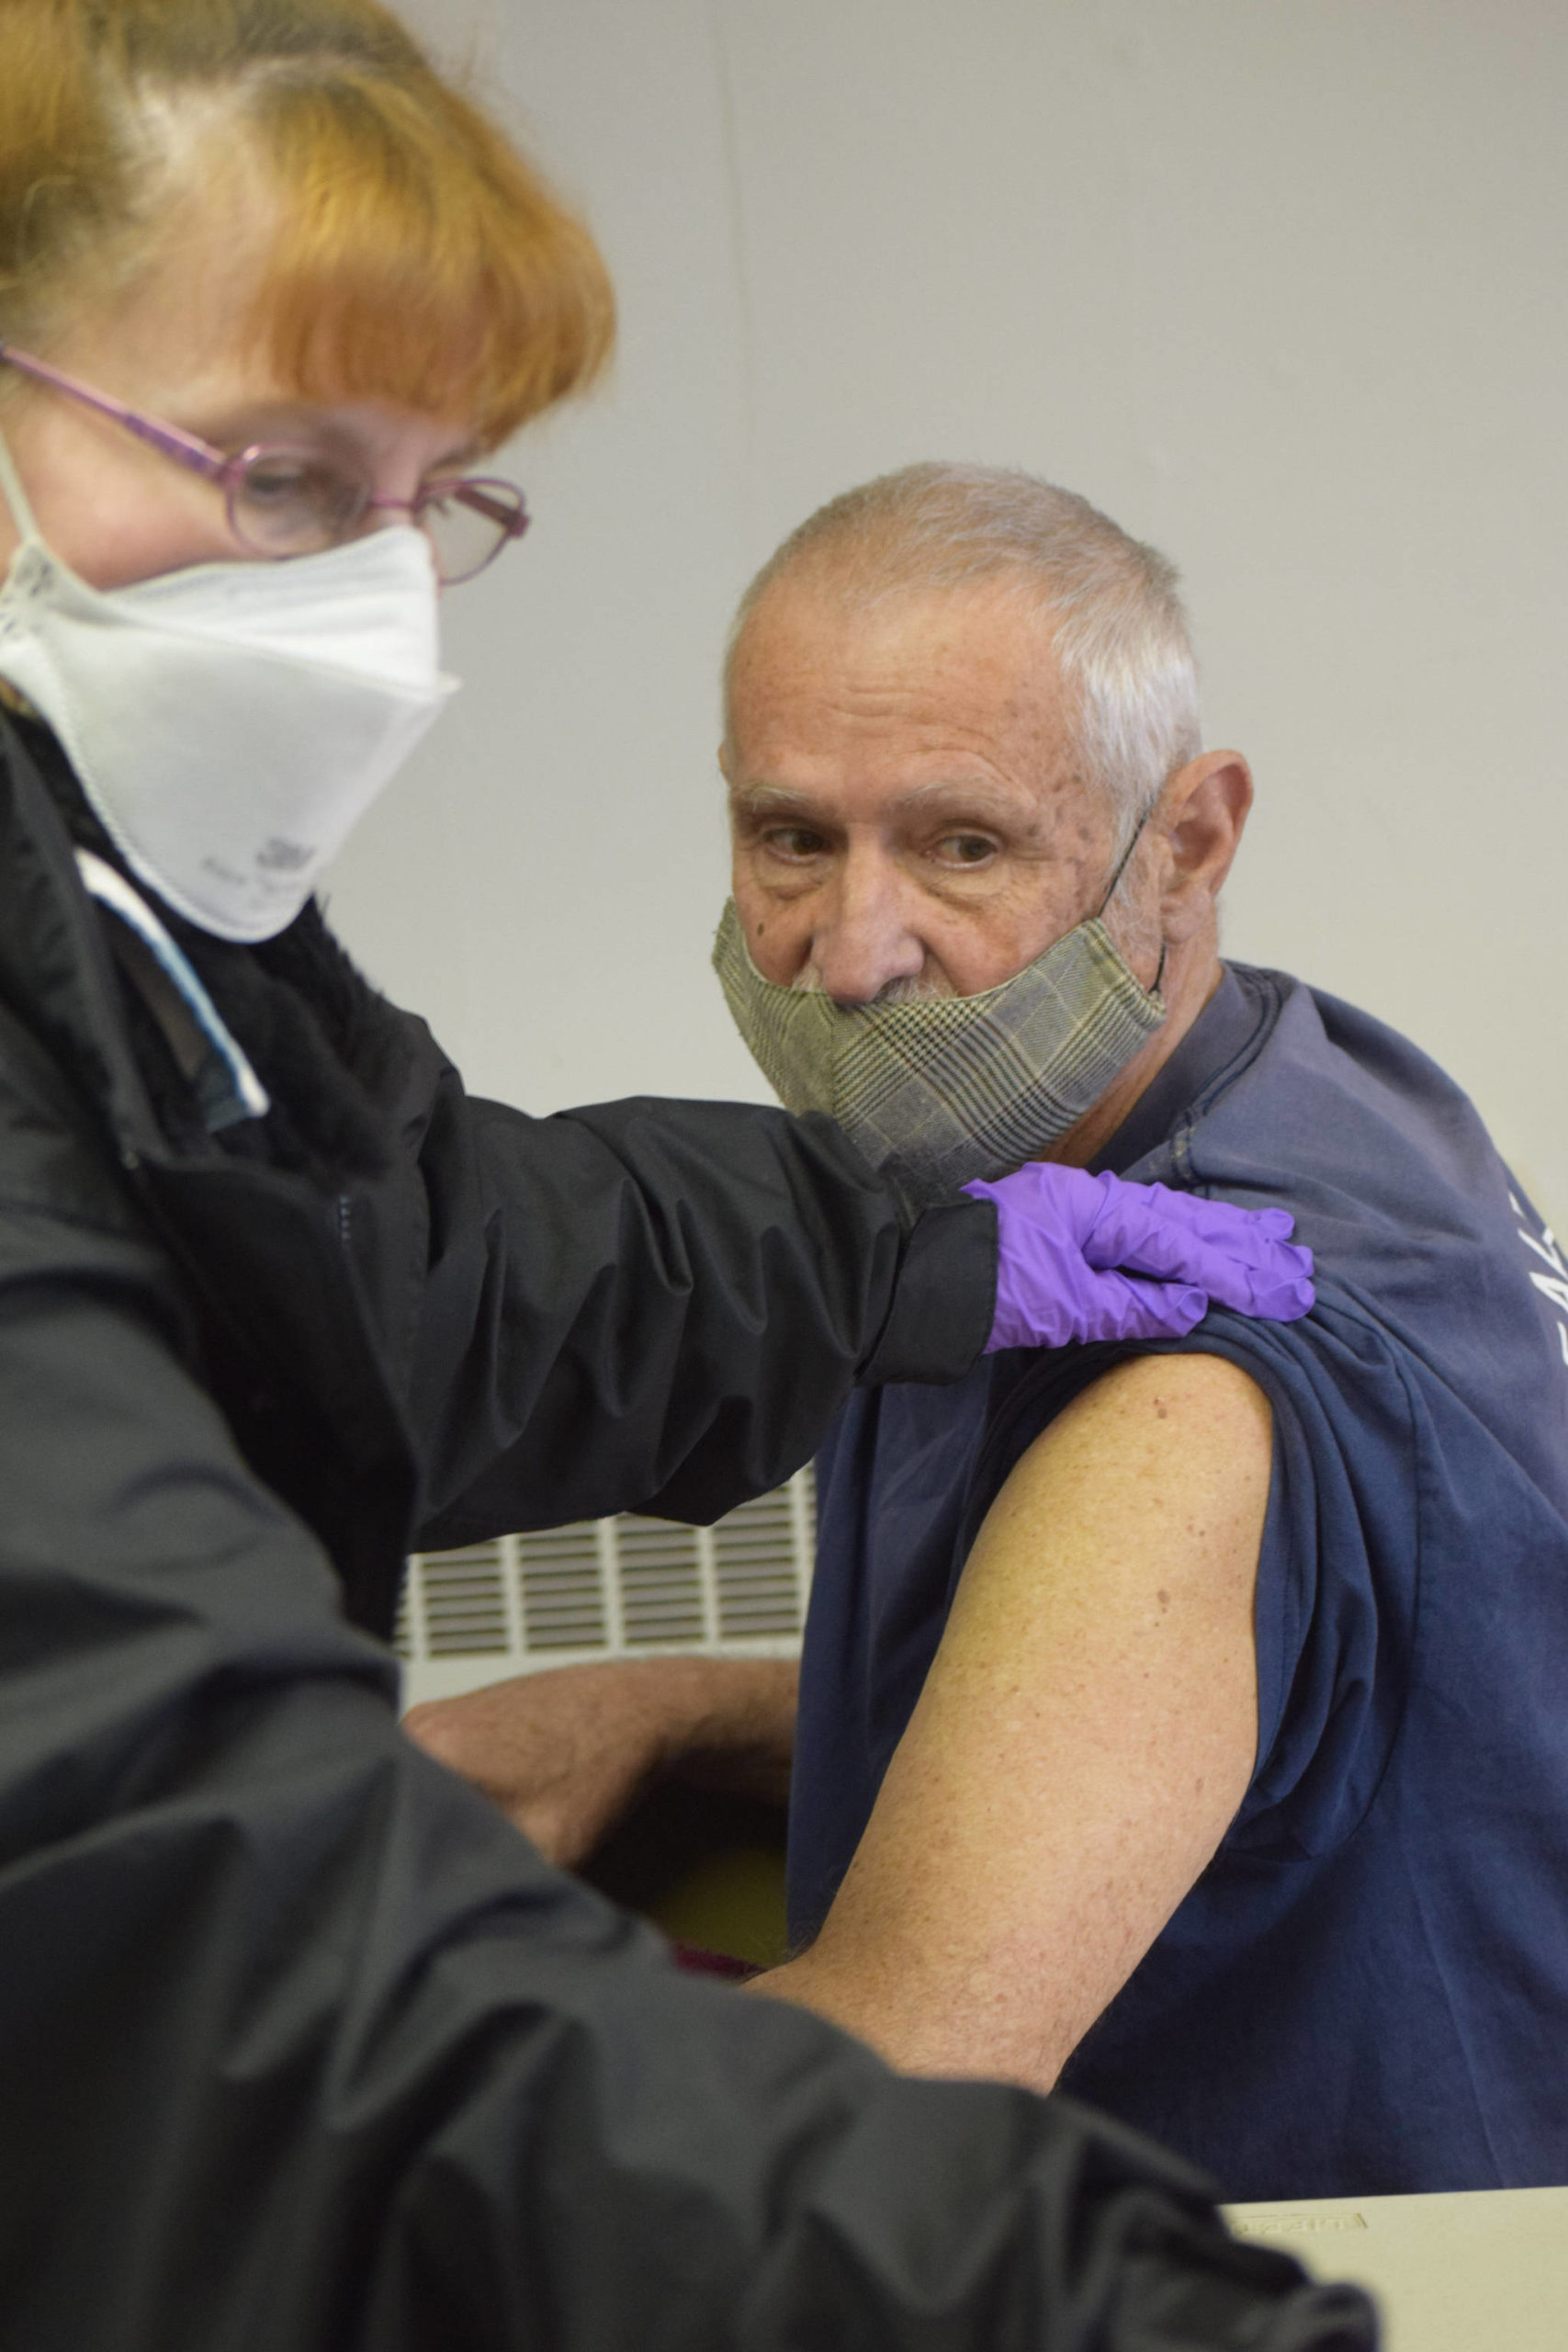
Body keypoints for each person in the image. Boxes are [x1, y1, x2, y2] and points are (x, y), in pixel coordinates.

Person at [0, 7, 1371, 2348]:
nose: (372, 608)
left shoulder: (115, 913)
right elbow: (265, 1967)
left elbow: (409, 1259)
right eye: (281, 478)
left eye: (431, 504)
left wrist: (890, 1253)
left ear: (1199, 835)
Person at [418, 462, 1568, 2207]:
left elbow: (887, 2089)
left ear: (1187, 842)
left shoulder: (1181, 1393)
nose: (853, 954)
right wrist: (653, 1709)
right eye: (793, 838)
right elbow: (1141, 1722)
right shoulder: (1271, 1089)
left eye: (964, 844)